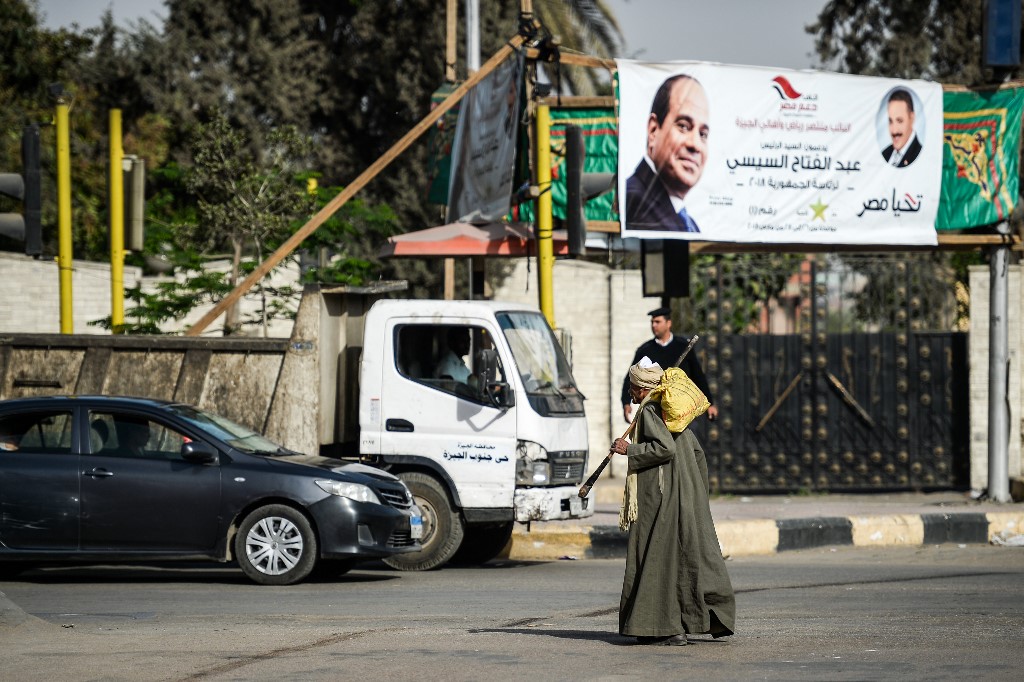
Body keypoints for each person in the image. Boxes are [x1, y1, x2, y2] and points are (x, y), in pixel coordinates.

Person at [611, 358, 735, 646]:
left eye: (633, 387)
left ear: (643, 389)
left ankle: (666, 629)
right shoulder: (672, 414)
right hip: (683, 494)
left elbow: (663, 448)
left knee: (656, 558)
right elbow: (697, 455)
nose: (630, 392)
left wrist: (629, 449)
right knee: (681, 556)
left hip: (661, 498)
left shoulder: (651, 410)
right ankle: (679, 624)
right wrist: (695, 492)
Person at [625, 74, 709, 233]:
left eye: (703, 134)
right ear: (653, 130)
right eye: (683, 126)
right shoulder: (634, 202)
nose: (695, 144)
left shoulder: (690, 224)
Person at [621, 306, 716, 424]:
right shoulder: (645, 350)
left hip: (683, 408)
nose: (653, 325)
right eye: (652, 322)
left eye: (657, 322)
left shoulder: (683, 347)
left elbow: (698, 375)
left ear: (668, 323)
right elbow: (631, 378)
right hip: (656, 410)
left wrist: (710, 402)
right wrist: (626, 403)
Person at [881, 89, 921, 168]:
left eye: (899, 121)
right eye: (890, 121)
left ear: (912, 118)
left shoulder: (919, 154)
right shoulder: (885, 154)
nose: (894, 131)